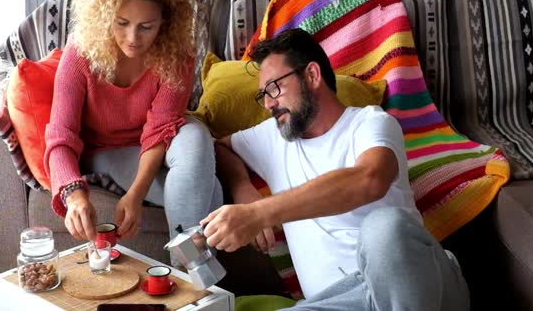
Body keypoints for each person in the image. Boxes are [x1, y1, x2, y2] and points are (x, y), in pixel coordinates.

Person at [201, 28, 470, 310]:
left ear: (312, 75)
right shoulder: (273, 136)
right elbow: (219, 147)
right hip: (337, 302)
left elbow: (370, 179)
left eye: (274, 88)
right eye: (263, 95)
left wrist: (257, 214)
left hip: (415, 285)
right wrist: (243, 188)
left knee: (383, 227)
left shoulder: (370, 123)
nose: (268, 103)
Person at [44, 0, 222, 259]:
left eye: (146, 27)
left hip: (158, 141)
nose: (132, 38)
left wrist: (136, 194)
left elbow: (162, 127)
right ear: (105, 14)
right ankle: (193, 274)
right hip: (106, 150)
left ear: (166, 21)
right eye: (122, 23)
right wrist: (74, 194)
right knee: (211, 193)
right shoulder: (80, 54)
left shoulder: (177, 54)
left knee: (195, 133)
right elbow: (60, 137)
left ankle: (188, 275)